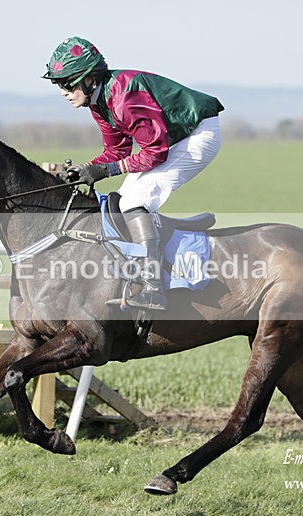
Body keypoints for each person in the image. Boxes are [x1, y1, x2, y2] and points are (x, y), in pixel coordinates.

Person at [43, 36, 224, 311]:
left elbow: (155, 153)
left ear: (89, 78)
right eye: (59, 85)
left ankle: (153, 288)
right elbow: (117, 150)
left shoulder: (125, 95)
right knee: (121, 198)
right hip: (174, 140)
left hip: (199, 135)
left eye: (67, 83)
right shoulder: (98, 102)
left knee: (134, 202)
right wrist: (85, 170)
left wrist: (103, 170)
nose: (64, 92)